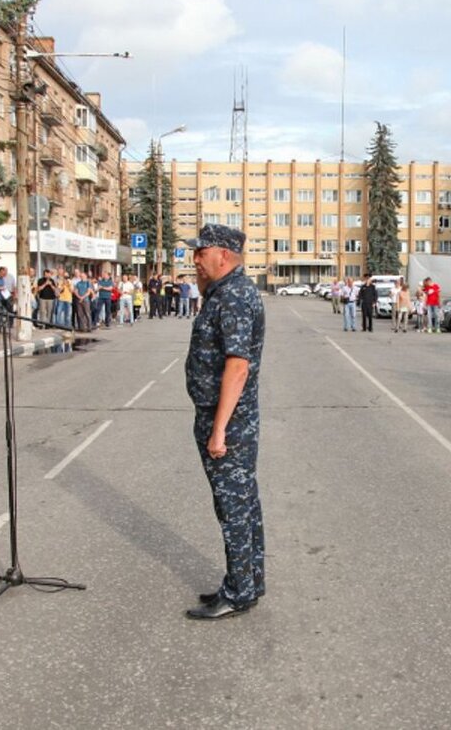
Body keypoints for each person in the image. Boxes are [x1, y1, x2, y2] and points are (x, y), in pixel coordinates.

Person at [183, 224, 266, 620]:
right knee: (243, 503)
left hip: (228, 422)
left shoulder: (233, 296)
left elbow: (237, 366)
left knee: (233, 507)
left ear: (224, 255)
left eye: (201, 252)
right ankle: (248, 581)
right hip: (229, 418)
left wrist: (218, 430)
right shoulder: (224, 292)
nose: (194, 259)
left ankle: (237, 592)